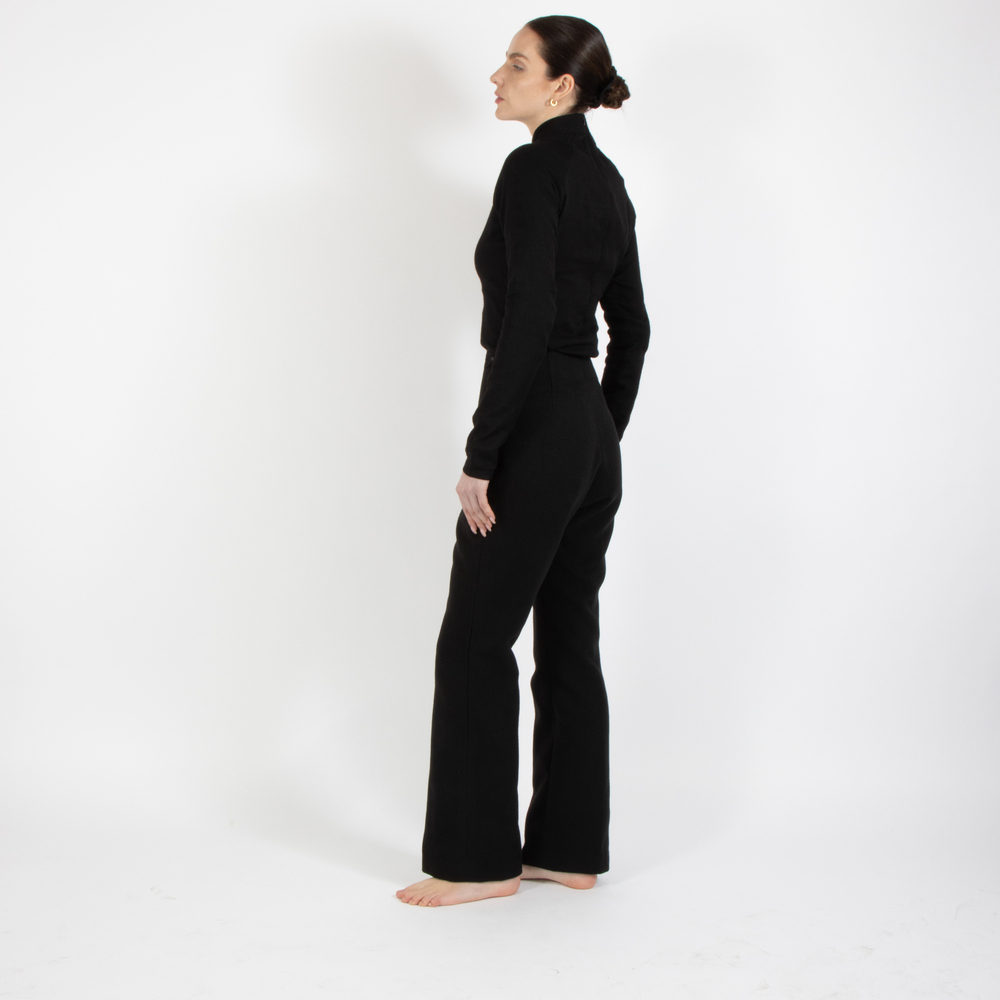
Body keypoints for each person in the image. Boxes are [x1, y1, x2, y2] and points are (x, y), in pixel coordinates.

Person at [397, 15, 650, 907]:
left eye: (516, 63)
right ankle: (568, 850)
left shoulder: (533, 168)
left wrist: (484, 454)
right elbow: (633, 329)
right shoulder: (607, 180)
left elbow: (531, 320)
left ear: (561, 87)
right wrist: (600, 436)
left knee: (475, 640)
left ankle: (476, 863)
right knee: (568, 638)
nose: (495, 76)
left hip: (540, 419)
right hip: (586, 428)